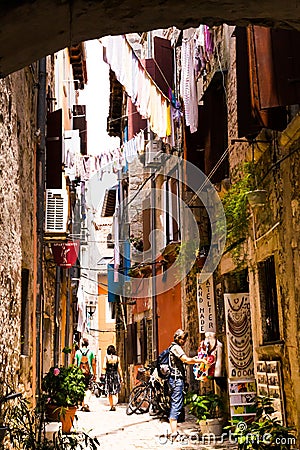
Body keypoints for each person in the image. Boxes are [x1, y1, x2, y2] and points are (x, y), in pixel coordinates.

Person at [168, 329, 206, 440]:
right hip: (176, 379)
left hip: (176, 379)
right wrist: (200, 361)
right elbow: (185, 360)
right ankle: (174, 433)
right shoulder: (176, 348)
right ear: (177, 338)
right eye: (183, 339)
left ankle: (174, 431)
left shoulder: (174, 347)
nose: (184, 341)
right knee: (176, 404)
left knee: (177, 403)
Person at [74, 338, 96, 412]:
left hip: (79, 373)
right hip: (88, 373)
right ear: (87, 344)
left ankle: (82, 404)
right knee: (88, 388)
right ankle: (85, 404)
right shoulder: (90, 352)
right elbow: (93, 364)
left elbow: (75, 363)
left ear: (82, 344)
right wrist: (94, 373)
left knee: (81, 388)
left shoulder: (77, 352)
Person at [103, 345, 123, 411]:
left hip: (108, 375)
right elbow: (119, 368)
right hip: (115, 374)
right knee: (116, 390)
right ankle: (115, 403)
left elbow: (104, 367)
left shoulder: (106, 357)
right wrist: (121, 377)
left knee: (109, 391)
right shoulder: (117, 358)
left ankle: (112, 406)